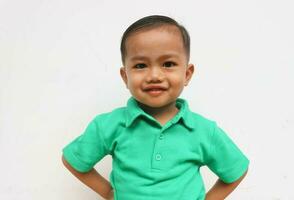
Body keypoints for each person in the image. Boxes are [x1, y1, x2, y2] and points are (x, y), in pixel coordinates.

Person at [61, 15, 249, 200]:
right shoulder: (108, 126)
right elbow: (74, 161)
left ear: (187, 74)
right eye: (141, 65)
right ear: (125, 76)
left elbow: (235, 170)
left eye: (168, 64)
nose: (155, 75)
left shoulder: (204, 131)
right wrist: (109, 193)